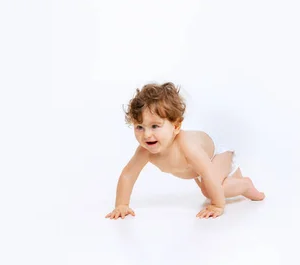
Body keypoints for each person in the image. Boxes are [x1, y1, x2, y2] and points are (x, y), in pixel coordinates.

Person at [105, 82, 265, 219]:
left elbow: (208, 172)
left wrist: (217, 205)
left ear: (176, 127)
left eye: (155, 126)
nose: (147, 135)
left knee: (211, 189)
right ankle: (252, 192)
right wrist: (122, 205)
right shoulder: (144, 151)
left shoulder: (187, 146)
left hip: (217, 154)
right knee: (224, 184)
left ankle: (245, 185)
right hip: (206, 165)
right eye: (139, 127)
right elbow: (128, 175)